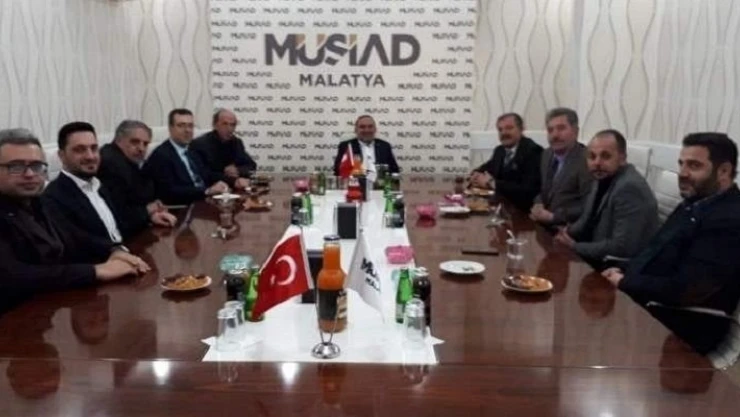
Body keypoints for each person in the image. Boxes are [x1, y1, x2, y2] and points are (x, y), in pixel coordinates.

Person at [603, 132, 740, 353]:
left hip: (683, 329)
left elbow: (686, 290)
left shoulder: (729, 220)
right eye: (681, 164)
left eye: (694, 166)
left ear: (723, 171)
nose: (682, 173)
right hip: (650, 307)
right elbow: (655, 252)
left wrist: (625, 281)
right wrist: (621, 269)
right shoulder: (694, 202)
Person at [0, 129, 149, 314]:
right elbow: (14, 276)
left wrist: (113, 251)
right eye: (15, 167)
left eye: (37, 166)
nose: (30, 174)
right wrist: (96, 271)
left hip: (47, 308)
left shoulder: (36, 202)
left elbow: (72, 237)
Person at [45, 122, 175, 243]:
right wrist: (117, 251)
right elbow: (78, 244)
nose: (90, 156)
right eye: (80, 150)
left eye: (94, 148)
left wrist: (151, 217)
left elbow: (118, 224)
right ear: (61, 156)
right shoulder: (54, 197)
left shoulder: (97, 185)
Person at [554, 129, 657, 269]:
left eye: (605, 156)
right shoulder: (601, 176)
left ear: (622, 158)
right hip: (598, 257)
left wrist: (574, 246)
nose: (597, 162)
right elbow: (586, 220)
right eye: (592, 156)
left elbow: (622, 247)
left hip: (619, 268)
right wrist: (565, 232)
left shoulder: (629, 188)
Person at [143, 109, 229, 205]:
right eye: (181, 125)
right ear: (170, 128)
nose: (187, 130)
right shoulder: (161, 155)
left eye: (190, 126)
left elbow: (206, 173)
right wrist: (207, 191)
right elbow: (169, 192)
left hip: (204, 202)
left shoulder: (192, 149)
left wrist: (231, 181)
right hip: (183, 207)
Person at [530, 108, 592, 226]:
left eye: (561, 128)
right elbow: (544, 191)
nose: (555, 135)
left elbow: (588, 205)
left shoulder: (587, 160)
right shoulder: (546, 154)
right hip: (543, 226)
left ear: (576, 131)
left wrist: (554, 217)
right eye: (550, 130)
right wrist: (538, 204)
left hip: (568, 229)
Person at [470, 113, 543, 211]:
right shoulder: (500, 150)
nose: (504, 133)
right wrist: (475, 175)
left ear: (521, 129)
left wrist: (491, 183)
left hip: (522, 212)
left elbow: (527, 191)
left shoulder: (534, 152)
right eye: (500, 129)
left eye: (509, 128)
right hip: (500, 208)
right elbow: (484, 169)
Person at [190, 108, 255, 190]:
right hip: (210, 190)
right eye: (225, 124)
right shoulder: (199, 144)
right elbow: (203, 174)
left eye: (233, 125)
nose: (229, 129)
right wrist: (232, 180)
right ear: (215, 125)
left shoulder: (236, 142)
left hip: (234, 190)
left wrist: (238, 170)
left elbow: (251, 165)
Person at [332, 115, 400, 179]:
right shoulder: (346, 146)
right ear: (356, 130)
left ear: (375, 129)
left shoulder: (384, 146)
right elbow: (338, 171)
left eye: (370, 127)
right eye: (362, 127)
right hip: (355, 185)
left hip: (380, 185)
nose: (367, 130)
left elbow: (394, 170)